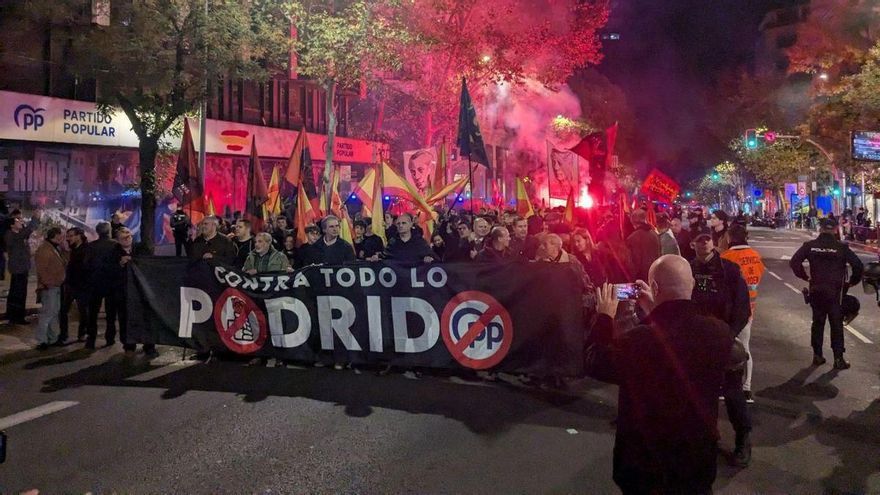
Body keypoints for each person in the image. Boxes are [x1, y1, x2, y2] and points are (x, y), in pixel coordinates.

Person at [585, 256, 733, 494]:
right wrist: (655, 310)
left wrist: (604, 316)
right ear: (692, 284)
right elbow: (678, 333)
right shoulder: (720, 332)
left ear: (654, 288)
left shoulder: (637, 341)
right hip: (696, 460)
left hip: (646, 465)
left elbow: (595, 362)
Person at [690, 227, 753, 467]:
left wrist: (728, 335)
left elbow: (742, 308)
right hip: (697, 342)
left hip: (724, 340)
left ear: (714, 243)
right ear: (693, 245)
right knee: (702, 394)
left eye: (708, 239)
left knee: (733, 394)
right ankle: (708, 438)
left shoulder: (729, 270)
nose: (704, 243)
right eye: (699, 240)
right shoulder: (687, 269)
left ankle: (743, 440)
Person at [790, 217, 863, 369]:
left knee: (818, 323)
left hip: (816, 290)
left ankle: (817, 355)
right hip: (835, 292)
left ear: (820, 228)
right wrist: (852, 282)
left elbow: (794, 262)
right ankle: (838, 359)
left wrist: (805, 277)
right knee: (836, 324)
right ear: (836, 229)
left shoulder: (810, 245)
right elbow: (858, 265)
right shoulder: (841, 247)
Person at [721, 224, 765, 403]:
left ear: (730, 238)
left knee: (726, 346)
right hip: (749, 309)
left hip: (729, 311)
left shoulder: (726, 257)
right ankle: (746, 388)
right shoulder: (755, 256)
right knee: (745, 348)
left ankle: (726, 386)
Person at [111, 227, 153, 353]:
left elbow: (149, 265)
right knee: (125, 318)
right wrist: (120, 263)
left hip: (141, 291)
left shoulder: (141, 249)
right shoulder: (113, 253)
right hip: (123, 292)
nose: (127, 237)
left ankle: (149, 344)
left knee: (146, 318)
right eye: (123, 236)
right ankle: (129, 344)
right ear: (118, 240)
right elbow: (108, 270)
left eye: (128, 234)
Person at [83, 221, 120, 349]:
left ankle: (91, 339)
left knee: (93, 313)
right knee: (111, 313)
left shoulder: (91, 246)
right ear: (109, 231)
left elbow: (86, 265)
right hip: (111, 283)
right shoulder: (116, 245)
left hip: (95, 283)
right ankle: (110, 338)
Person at [5, 209, 41, 324]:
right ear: (12, 225)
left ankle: (15, 316)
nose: (21, 222)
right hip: (17, 269)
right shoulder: (11, 235)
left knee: (20, 293)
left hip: (22, 268)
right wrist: (34, 218)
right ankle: (15, 317)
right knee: (17, 293)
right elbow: (27, 231)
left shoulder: (18, 236)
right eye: (18, 220)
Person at [34, 227, 67, 350]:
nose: (64, 238)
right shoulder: (45, 249)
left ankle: (52, 338)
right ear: (57, 235)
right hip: (50, 286)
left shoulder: (54, 248)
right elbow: (41, 269)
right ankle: (42, 340)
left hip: (55, 285)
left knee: (53, 312)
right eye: (62, 235)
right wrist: (48, 283)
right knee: (47, 313)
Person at [59, 228, 89, 343]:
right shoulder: (73, 249)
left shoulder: (86, 250)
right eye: (68, 236)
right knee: (63, 311)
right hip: (71, 285)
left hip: (81, 286)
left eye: (71, 236)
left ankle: (82, 334)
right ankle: (63, 335)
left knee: (83, 312)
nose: (68, 238)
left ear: (79, 236)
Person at [625, 208, 661, 282]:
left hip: (640, 279)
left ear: (632, 221)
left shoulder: (632, 238)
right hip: (654, 275)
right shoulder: (654, 234)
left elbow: (633, 263)